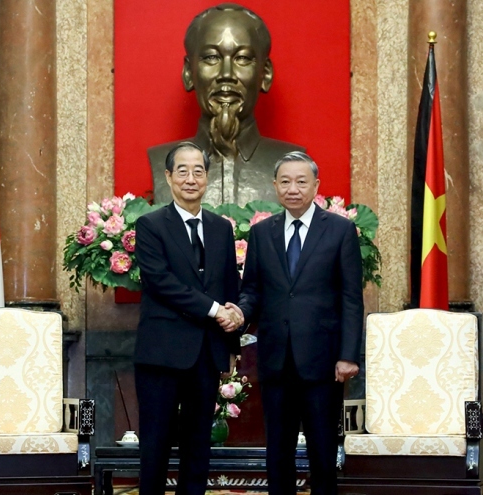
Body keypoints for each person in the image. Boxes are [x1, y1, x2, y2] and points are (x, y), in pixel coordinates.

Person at [237, 151, 364, 495]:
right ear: (275, 186)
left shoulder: (340, 230)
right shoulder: (262, 233)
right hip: (275, 360)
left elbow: (351, 297)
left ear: (316, 186)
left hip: (323, 360)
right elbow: (252, 291)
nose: (293, 188)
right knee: (278, 451)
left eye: (301, 181)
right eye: (285, 181)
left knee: (323, 451)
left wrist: (348, 354)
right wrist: (237, 315)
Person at [134, 141, 244, 495]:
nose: (191, 178)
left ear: (207, 178)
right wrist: (216, 311)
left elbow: (229, 285)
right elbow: (162, 283)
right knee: (156, 445)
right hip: (161, 354)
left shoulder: (220, 228)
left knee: (198, 447)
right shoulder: (150, 225)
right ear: (168, 177)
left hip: (206, 354)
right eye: (182, 171)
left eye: (198, 171)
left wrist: (231, 340)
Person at [149, 3, 305, 206]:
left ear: (265, 74)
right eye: (211, 57)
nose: (226, 75)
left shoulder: (293, 163)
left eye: (242, 58)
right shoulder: (161, 160)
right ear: (189, 72)